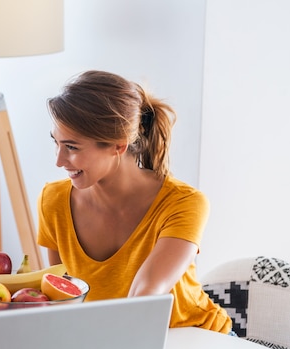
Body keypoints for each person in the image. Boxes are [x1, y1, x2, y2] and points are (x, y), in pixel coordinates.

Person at [38, 70, 231, 333]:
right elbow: (62, 296)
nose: (59, 161)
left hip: (194, 337)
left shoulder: (183, 203)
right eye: (56, 144)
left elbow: (147, 293)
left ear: (118, 145)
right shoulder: (54, 201)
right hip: (118, 344)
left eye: (72, 147)